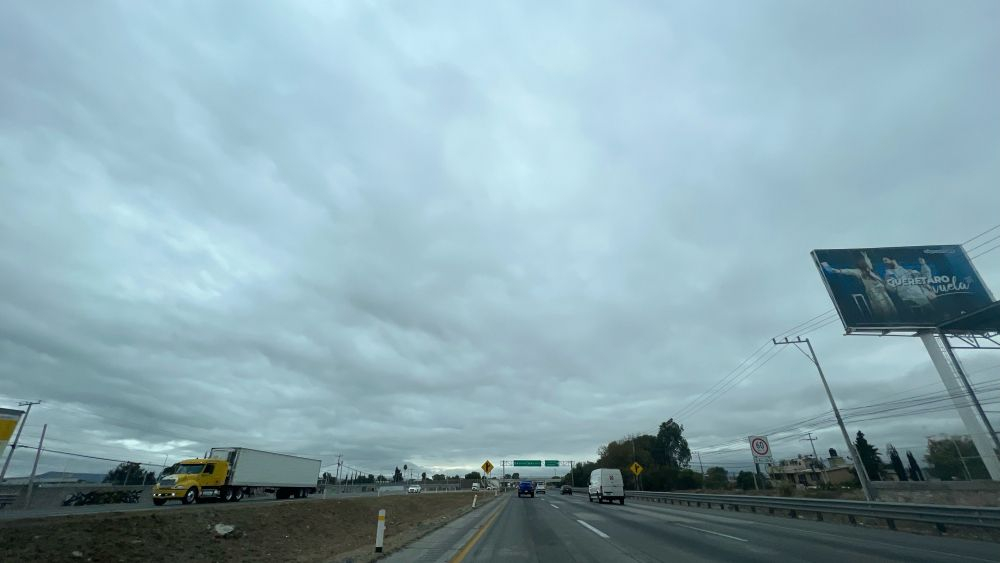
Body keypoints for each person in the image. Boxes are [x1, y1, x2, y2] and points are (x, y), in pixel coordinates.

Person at [821, 252, 897, 320]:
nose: (869, 262)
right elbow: (846, 271)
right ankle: (887, 320)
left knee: (890, 306)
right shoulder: (858, 271)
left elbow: (868, 261)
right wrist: (830, 268)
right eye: (867, 261)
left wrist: (865, 255)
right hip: (874, 292)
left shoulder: (870, 269)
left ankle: (893, 319)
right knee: (883, 308)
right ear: (862, 263)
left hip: (882, 291)